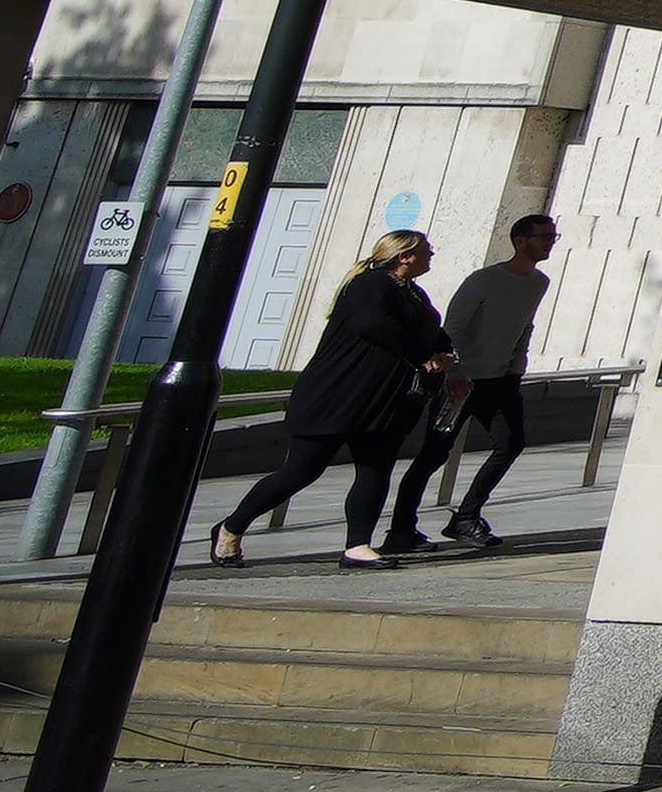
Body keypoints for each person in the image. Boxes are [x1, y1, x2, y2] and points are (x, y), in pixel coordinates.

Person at [208, 231, 450, 570]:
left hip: (380, 402)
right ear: (404, 256)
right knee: (300, 471)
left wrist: (443, 352)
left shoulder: (413, 293)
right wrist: (423, 354)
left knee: (375, 470)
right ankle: (231, 527)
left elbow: (432, 331)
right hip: (335, 396)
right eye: (426, 250)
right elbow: (375, 326)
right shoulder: (369, 286)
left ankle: (357, 546)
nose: (432, 254)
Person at [396, 214, 557, 553]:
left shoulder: (539, 282)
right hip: (460, 382)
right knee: (433, 454)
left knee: (510, 443)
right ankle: (401, 530)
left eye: (552, 236)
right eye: (542, 236)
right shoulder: (483, 281)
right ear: (520, 241)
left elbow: (524, 326)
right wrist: (453, 372)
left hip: (501, 381)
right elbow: (451, 329)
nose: (548, 242)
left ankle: (466, 517)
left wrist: (517, 363)